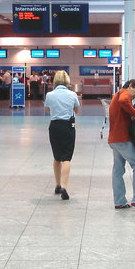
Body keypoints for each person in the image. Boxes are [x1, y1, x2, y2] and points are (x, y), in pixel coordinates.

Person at [108, 79, 135, 212]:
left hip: (114, 140)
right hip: (122, 139)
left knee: (118, 170)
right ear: (131, 86)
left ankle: (120, 201)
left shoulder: (116, 95)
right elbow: (124, 101)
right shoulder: (124, 94)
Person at [44, 70, 80, 201]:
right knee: (66, 158)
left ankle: (57, 185)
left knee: (56, 156)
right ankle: (65, 186)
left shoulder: (50, 94)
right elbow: (76, 109)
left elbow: (48, 109)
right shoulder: (72, 94)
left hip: (54, 126)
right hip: (68, 127)